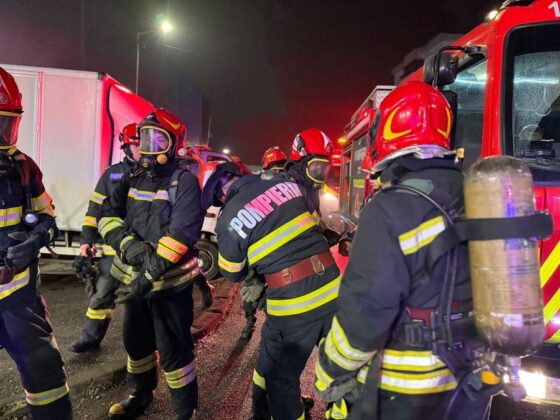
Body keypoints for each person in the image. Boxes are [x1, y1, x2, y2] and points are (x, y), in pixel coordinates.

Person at [314, 81, 492, 419]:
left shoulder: (389, 209)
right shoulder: (481, 195)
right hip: (471, 383)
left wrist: (328, 370)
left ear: (387, 133)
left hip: (405, 393)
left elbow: (364, 315)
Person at [201, 160, 340, 420]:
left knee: (280, 379)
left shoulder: (229, 217)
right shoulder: (287, 185)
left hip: (293, 304)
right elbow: (314, 226)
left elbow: (231, 271)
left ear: (222, 193)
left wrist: (255, 271)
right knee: (341, 365)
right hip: (334, 288)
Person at [98, 109, 205, 419]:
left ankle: (185, 410)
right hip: (135, 285)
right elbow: (107, 215)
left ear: (174, 146)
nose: (148, 147)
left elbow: (180, 235)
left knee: (175, 353)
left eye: (159, 140)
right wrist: (128, 246)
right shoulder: (133, 177)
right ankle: (139, 395)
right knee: (136, 345)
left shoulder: (184, 182)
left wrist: (148, 274)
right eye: (145, 139)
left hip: (168, 288)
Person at [0, 66, 71, 418]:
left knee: (47, 379)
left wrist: (34, 240)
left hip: (19, 300)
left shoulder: (23, 167)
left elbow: (47, 219)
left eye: (5, 124)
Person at [70, 123, 141, 353]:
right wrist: (86, 241)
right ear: (126, 147)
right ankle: (90, 338)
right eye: (137, 145)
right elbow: (95, 210)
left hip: (142, 248)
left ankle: (146, 346)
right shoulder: (112, 175)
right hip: (113, 249)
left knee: (145, 299)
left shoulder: (152, 174)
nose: (142, 149)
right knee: (102, 295)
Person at [239, 146, 289, 340]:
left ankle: (273, 327)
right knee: (251, 288)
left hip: (279, 249)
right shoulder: (255, 187)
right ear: (266, 169)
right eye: (274, 168)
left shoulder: (289, 187)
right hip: (258, 248)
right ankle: (250, 320)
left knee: (276, 292)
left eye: (280, 167)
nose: (277, 172)